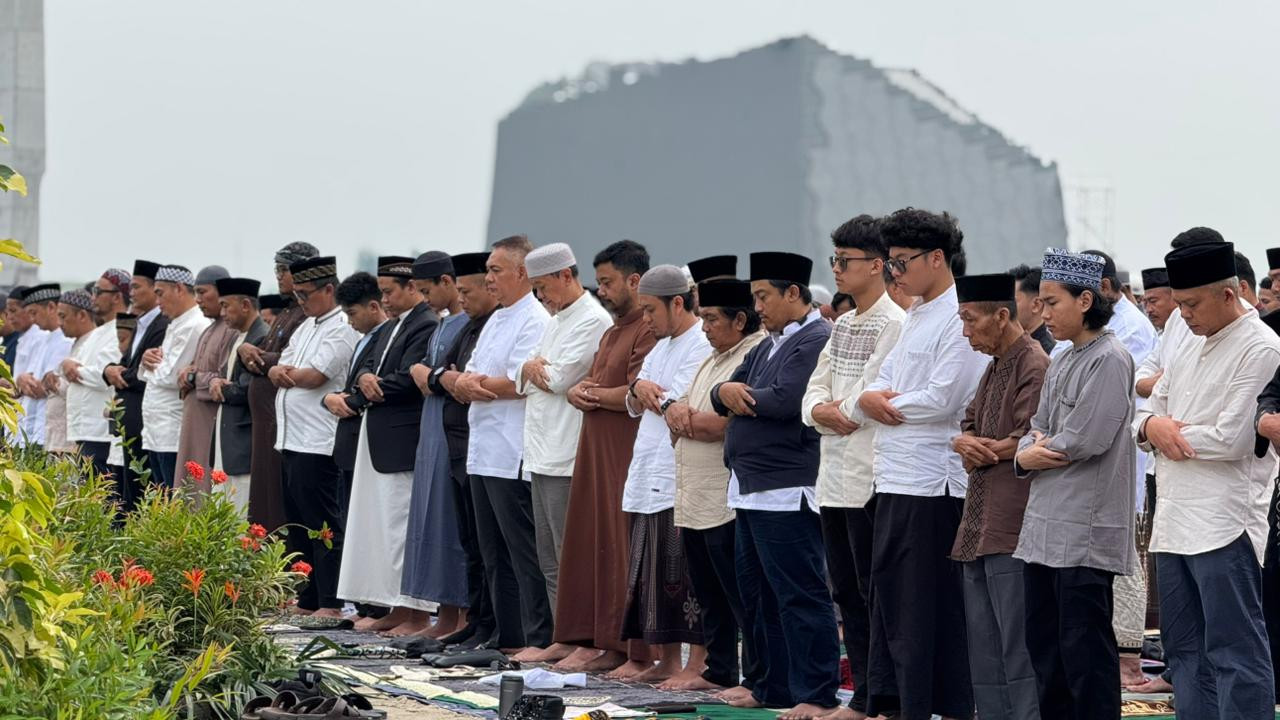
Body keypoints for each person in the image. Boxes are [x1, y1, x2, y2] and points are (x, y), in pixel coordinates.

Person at [1138, 240, 1279, 719]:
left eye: (1192, 304)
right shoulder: (1188, 339)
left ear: (1228, 294)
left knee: (1234, 651)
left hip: (1225, 523)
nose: (1184, 315)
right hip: (1173, 518)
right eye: (1179, 304)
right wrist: (1152, 427)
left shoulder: (1261, 347)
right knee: (1184, 652)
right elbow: (1149, 411)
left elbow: (1232, 438)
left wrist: (1162, 432)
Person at [857, 209, 987, 720]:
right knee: (891, 599)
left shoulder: (959, 316)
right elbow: (880, 381)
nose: (895, 273)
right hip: (894, 475)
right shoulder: (915, 313)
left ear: (937, 258)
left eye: (902, 262)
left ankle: (937, 706)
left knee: (926, 606)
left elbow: (943, 398)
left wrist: (881, 404)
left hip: (934, 485)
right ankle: (897, 703)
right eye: (890, 262)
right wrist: (870, 399)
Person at [712, 251, 838, 719]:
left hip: (786, 487)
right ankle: (771, 685)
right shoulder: (765, 344)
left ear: (793, 293)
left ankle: (816, 692)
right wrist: (724, 392)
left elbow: (786, 401)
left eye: (764, 296)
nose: (758, 307)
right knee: (758, 593)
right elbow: (725, 391)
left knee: (798, 593)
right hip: (749, 486)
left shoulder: (815, 339)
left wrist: (735, 396)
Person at [1013, 248, 1135, 720]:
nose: (1043, 312)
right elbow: (1037, 426)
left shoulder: (1111, 358)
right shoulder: (1062, 357)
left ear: (1085, 300)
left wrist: (1031, 453)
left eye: (1051, 302)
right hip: (1043, 529)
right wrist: (1028, 450)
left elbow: (1086, 438)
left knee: (1085, 656)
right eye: (1040, 303)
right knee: (1046, 651)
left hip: (1084, 531)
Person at [801, 214, 905, 720]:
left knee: (873, 592)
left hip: (869, 476)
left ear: (877, 265)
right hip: (832, 477)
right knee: (843, 590)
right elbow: (812, 395)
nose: (837, 269)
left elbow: (870, 396)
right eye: (835, 259)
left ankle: (878, 699)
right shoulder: (841, 325)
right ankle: (863, 694)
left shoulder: (894, 324)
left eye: (846, 260)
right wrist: (822, 412)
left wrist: (831, 411)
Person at [554, 240, 657, 674]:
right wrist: (580, 391)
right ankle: (596, 639)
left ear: (634, 281)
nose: (603, 292)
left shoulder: (646, 329)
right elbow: (597, 385)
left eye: (609, 282)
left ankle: (628, 647)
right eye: (600, 283)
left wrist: (590, 393)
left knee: (620, 546)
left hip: (624, 451)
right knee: (592, 542)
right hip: (596, 449)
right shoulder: (612, 331)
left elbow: (636, 393)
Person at [949, 273, 1048, 720]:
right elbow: (969, 422)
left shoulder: (1033, 363)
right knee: (984, 645)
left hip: (1013, 523)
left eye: (970, 320)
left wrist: (976, 448)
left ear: (1002, 315)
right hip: (978, 520)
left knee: (1017, 643)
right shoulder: (994, 365)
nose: (965, 331)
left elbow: (1030, 437)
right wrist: (967, 442)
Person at [507, 243, 612, 662]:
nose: (540, 296)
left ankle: (582, 640)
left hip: (567, 452)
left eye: (542, 287)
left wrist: (534, 368)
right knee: (549, 557)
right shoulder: (555, 320)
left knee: (573, 556)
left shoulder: (593, 320)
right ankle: (560, 634)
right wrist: (531, 368)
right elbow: (520, 373)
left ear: (566, 276)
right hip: (539, 451)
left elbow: (559, 378)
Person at [666, 278, 767, 695]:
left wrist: (685, 419)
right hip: (694, 492)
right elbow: (680, 408)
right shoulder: (712, 358)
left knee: (741, 594)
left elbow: (725, 424)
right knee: (708, 591)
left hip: (725, 494)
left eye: (711, 319)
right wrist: (680, 415)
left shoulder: (754, 353)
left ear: (739, 319)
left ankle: (756, 676)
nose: (704, 327)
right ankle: (720, 669)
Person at [453, 235, 552, 652]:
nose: (489, 279)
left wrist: (472, 385)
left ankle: (533, 635)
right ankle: (501, 632)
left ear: (522, 273)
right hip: (482, 449)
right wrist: (466, 384)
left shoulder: (535, 319)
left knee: (521, 551)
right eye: (488, 271)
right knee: (490, 550)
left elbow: (518, 381)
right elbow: (471, 373)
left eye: (495, 270)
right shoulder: (496, 318)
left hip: (511, 450)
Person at [618, 265, 712, 682]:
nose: (646, 319)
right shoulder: (660, 346)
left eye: (651, 310)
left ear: (677, 303)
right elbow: (638, 395)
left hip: (679, 473)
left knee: (686, 575)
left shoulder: (700, 343)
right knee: (653, 574)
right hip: (647, 468)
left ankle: (698, 662)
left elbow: (678, 401)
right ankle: (668, 661)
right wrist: (639, 390)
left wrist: (644, 391)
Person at [337, 256, 440, 634]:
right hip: (379, 436)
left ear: (411, 287)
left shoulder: (425, 323)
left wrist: (370, 386)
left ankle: (415, 613)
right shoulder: (392, 326)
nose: (385, 300)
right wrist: (365, 378)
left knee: (401, 527)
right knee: (382, 528)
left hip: (402, 439)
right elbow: (368, 366)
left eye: (390, 292)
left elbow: (407, 379)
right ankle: (395, 606)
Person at [270, 255, 359, 620]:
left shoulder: (342, 326)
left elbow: (316, 376)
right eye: (297, 295)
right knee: (298, 523)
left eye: (305, 294)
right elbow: (282, 365)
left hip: (318, 441)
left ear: (328, 289)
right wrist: (280, 371)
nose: (301, 301)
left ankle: (331, 601)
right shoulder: (305, 326)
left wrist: (284, 373)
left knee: (323, 524)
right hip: (291, 439)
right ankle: (308, 597)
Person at [427, 251, 500, 649]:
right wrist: (446, 378)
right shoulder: (469, 327)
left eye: (468, 291)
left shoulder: (496, 323)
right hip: (462, 448)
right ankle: (477, 621)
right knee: (471, 544)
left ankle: (493, 626)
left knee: (491, 548)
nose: (462, 299)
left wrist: (447, 378)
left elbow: (465, 380)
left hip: (485, 447)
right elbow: (441, 373)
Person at [400, 252, 472, 637]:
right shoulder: (443, 323)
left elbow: (450, 378)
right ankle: (443, 614)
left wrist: (425, 373)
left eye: (428, 291)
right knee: (430, 515)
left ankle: (460, 617)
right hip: (431, 430)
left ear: (448, 282)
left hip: (451, 431)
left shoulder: (468, 325)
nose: (425, 300)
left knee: (450, 518)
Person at [325, 271, 391, 624]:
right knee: (353, 524)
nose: (350, 322)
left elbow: (373, 385)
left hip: (371, 443)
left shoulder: (385, 336)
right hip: (350, 441)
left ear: (374, 307)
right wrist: (331, 398)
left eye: (352, 314)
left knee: (371, 528)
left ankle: (377, 607)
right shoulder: (366, 338)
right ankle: (366, 603)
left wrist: (344, 399)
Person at [245, 242, 318, 532]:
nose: (278, 276)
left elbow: (291, 362)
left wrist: (256, 357)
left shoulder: (306, 315)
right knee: (264, 495)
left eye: (283, 269)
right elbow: (264, 356)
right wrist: (248, 353)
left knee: (278, 499)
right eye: (276, 269)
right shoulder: (288, 312)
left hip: (285, 422)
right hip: (266, 420)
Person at [104, 261, 170, 509]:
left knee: (145, 496)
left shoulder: (162, 324)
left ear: (154, 289)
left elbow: (147, 371)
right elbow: (127, 364)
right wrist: (108, 370)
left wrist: (121, 374)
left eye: (136, 287)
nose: (130, 292)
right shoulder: (141, 323)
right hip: (129, 423)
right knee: (129, 497)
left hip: (144, 421)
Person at [140, 265, 212, 487]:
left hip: (171, 431)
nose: (157, 301)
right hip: (157, 431)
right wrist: (147, 360)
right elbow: (162, 368)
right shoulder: (177, 324)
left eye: (160, 293)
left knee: (174, 497)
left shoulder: (195, 325)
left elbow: (171, 376)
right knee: (160, 497)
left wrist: (151, 366)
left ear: (179, 289)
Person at [209, 277, 268, 516]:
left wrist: (221, 388)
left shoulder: (261, 337)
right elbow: (226, 377)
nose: (222, 312)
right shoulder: (237, 337)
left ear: (245, 305)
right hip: (227, 435)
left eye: (226, 306)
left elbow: (249, 388)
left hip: (244, 439)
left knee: (240, 509)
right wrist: (216, 381)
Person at [175, 265, 237, 493]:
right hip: (194, 419)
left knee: (205, 483)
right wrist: (188, 372)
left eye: (203, 292)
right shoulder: (209, 330)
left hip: (211, 420)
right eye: (196, 293)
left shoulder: (231, 330)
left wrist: (193, 376)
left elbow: (225, 378)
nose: (198, 300)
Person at [54, 289, 118, 474]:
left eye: (63, 316)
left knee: (101, 486)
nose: (59, 323)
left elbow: (106, 375)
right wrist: (66, 368)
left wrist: (74, 370)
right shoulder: (96, 335)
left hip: (99, 429)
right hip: (83, 430)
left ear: (82, 315)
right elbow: (68, 371)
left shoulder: (115, 332)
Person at [12, 284, 63, 448]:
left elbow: (41, 388)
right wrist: (20, 380)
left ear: (51, 307)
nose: (33, 320)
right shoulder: (43, 339)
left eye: (34, 313)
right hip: (29, 430)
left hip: (47, 432)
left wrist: (24, 383)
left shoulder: (65, 340)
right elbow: (26, 380)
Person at [1010, 265, 1056, 355]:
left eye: (1011, 301)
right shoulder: (1010, 346)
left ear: (1036, 305)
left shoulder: (1048, 354)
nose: (1005, 308)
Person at [1140, 268, 1175, 333]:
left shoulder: (1189, 333)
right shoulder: (1160, 334)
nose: (1148, 310)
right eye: (1145, 303)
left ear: (1175, 299)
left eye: (1153, 301)